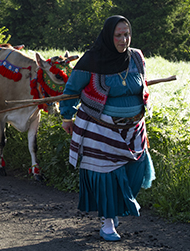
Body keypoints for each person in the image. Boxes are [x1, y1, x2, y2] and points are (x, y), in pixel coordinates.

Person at [60, 15, 155, 241]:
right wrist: (67, 116)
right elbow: (71, 89)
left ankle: (115, 209)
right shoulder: (92, 60)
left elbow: (140, 85)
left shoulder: (136, 58)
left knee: (136, 170)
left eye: (127, 34)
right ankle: (108, 222)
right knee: (107, 177)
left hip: (134, 130)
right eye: (118, 35)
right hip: (101, 129)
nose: (124, 40)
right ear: (108, 36)